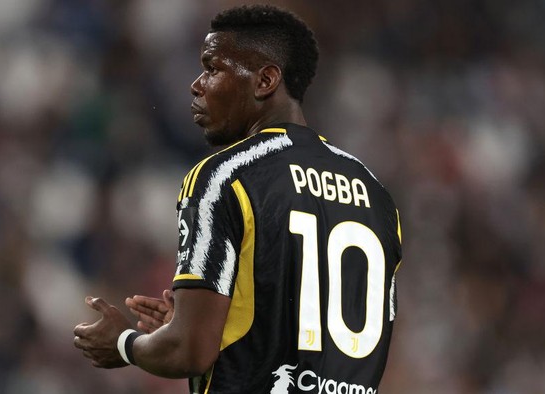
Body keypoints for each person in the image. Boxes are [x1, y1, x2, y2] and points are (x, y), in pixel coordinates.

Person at [73, 4, 402, 393]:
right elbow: (308, 349)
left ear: (265, 80)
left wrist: (125, 344)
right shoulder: (376, 194)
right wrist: (206, 326)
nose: (197, 84)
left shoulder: (225, 175)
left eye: (212, 68)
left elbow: (190, 352)